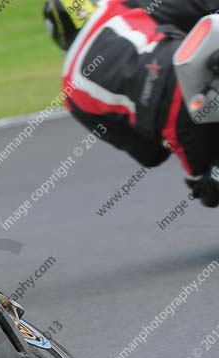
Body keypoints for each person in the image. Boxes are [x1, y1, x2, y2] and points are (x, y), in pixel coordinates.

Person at [44, 0, 219, 206]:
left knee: (207, 190)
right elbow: (199, 6)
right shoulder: (122, 5)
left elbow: (150, 155)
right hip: (201, 70)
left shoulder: (71, 92)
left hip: (182, 129)